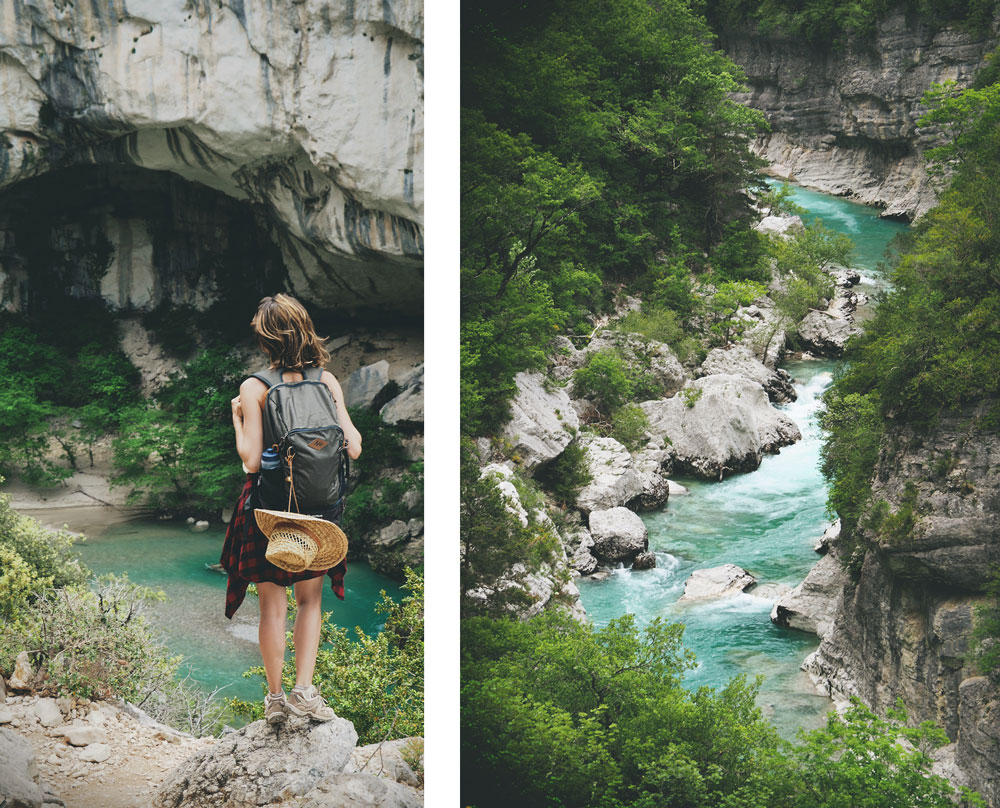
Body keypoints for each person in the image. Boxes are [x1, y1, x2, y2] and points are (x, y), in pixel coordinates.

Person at [220, 293, 362, 724]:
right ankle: (305, 691)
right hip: (321, 511)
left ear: (265, 341)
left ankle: (277, 699)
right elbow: (353, 448)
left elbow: (249, 460)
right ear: (305, 331)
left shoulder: (254, 387)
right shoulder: (327, 382)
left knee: (272, 607)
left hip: (271, 511)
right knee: (310, 602)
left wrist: (239, 419)